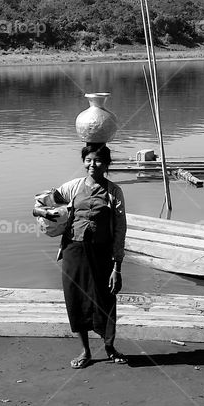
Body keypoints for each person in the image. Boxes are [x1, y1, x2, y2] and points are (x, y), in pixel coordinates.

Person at [51, 143, 127, 368]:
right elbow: (49, 199)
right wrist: (45, 211)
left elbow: (120, 229)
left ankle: (109, 347)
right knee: (76, 298)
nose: (92, 164)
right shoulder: (72, 187)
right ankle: (85, 351)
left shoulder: (114, 192)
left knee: (106, 298)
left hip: (102, 253)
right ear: (83, 162)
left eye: (98, 160)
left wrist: (117, 267)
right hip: (73, 251)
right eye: (88, 160)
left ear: (107, 164)